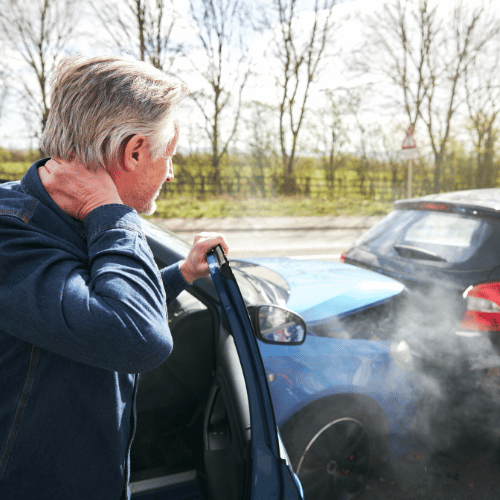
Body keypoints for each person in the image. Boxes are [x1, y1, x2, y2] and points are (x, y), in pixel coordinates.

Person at [0, 55, 228, 500]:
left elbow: (90, 308)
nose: (171, 171)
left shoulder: (68, 217)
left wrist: (180, 273)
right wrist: (111, 212)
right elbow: (137, 336)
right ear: (135, 151)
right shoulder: (11, 232)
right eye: (169, 155)